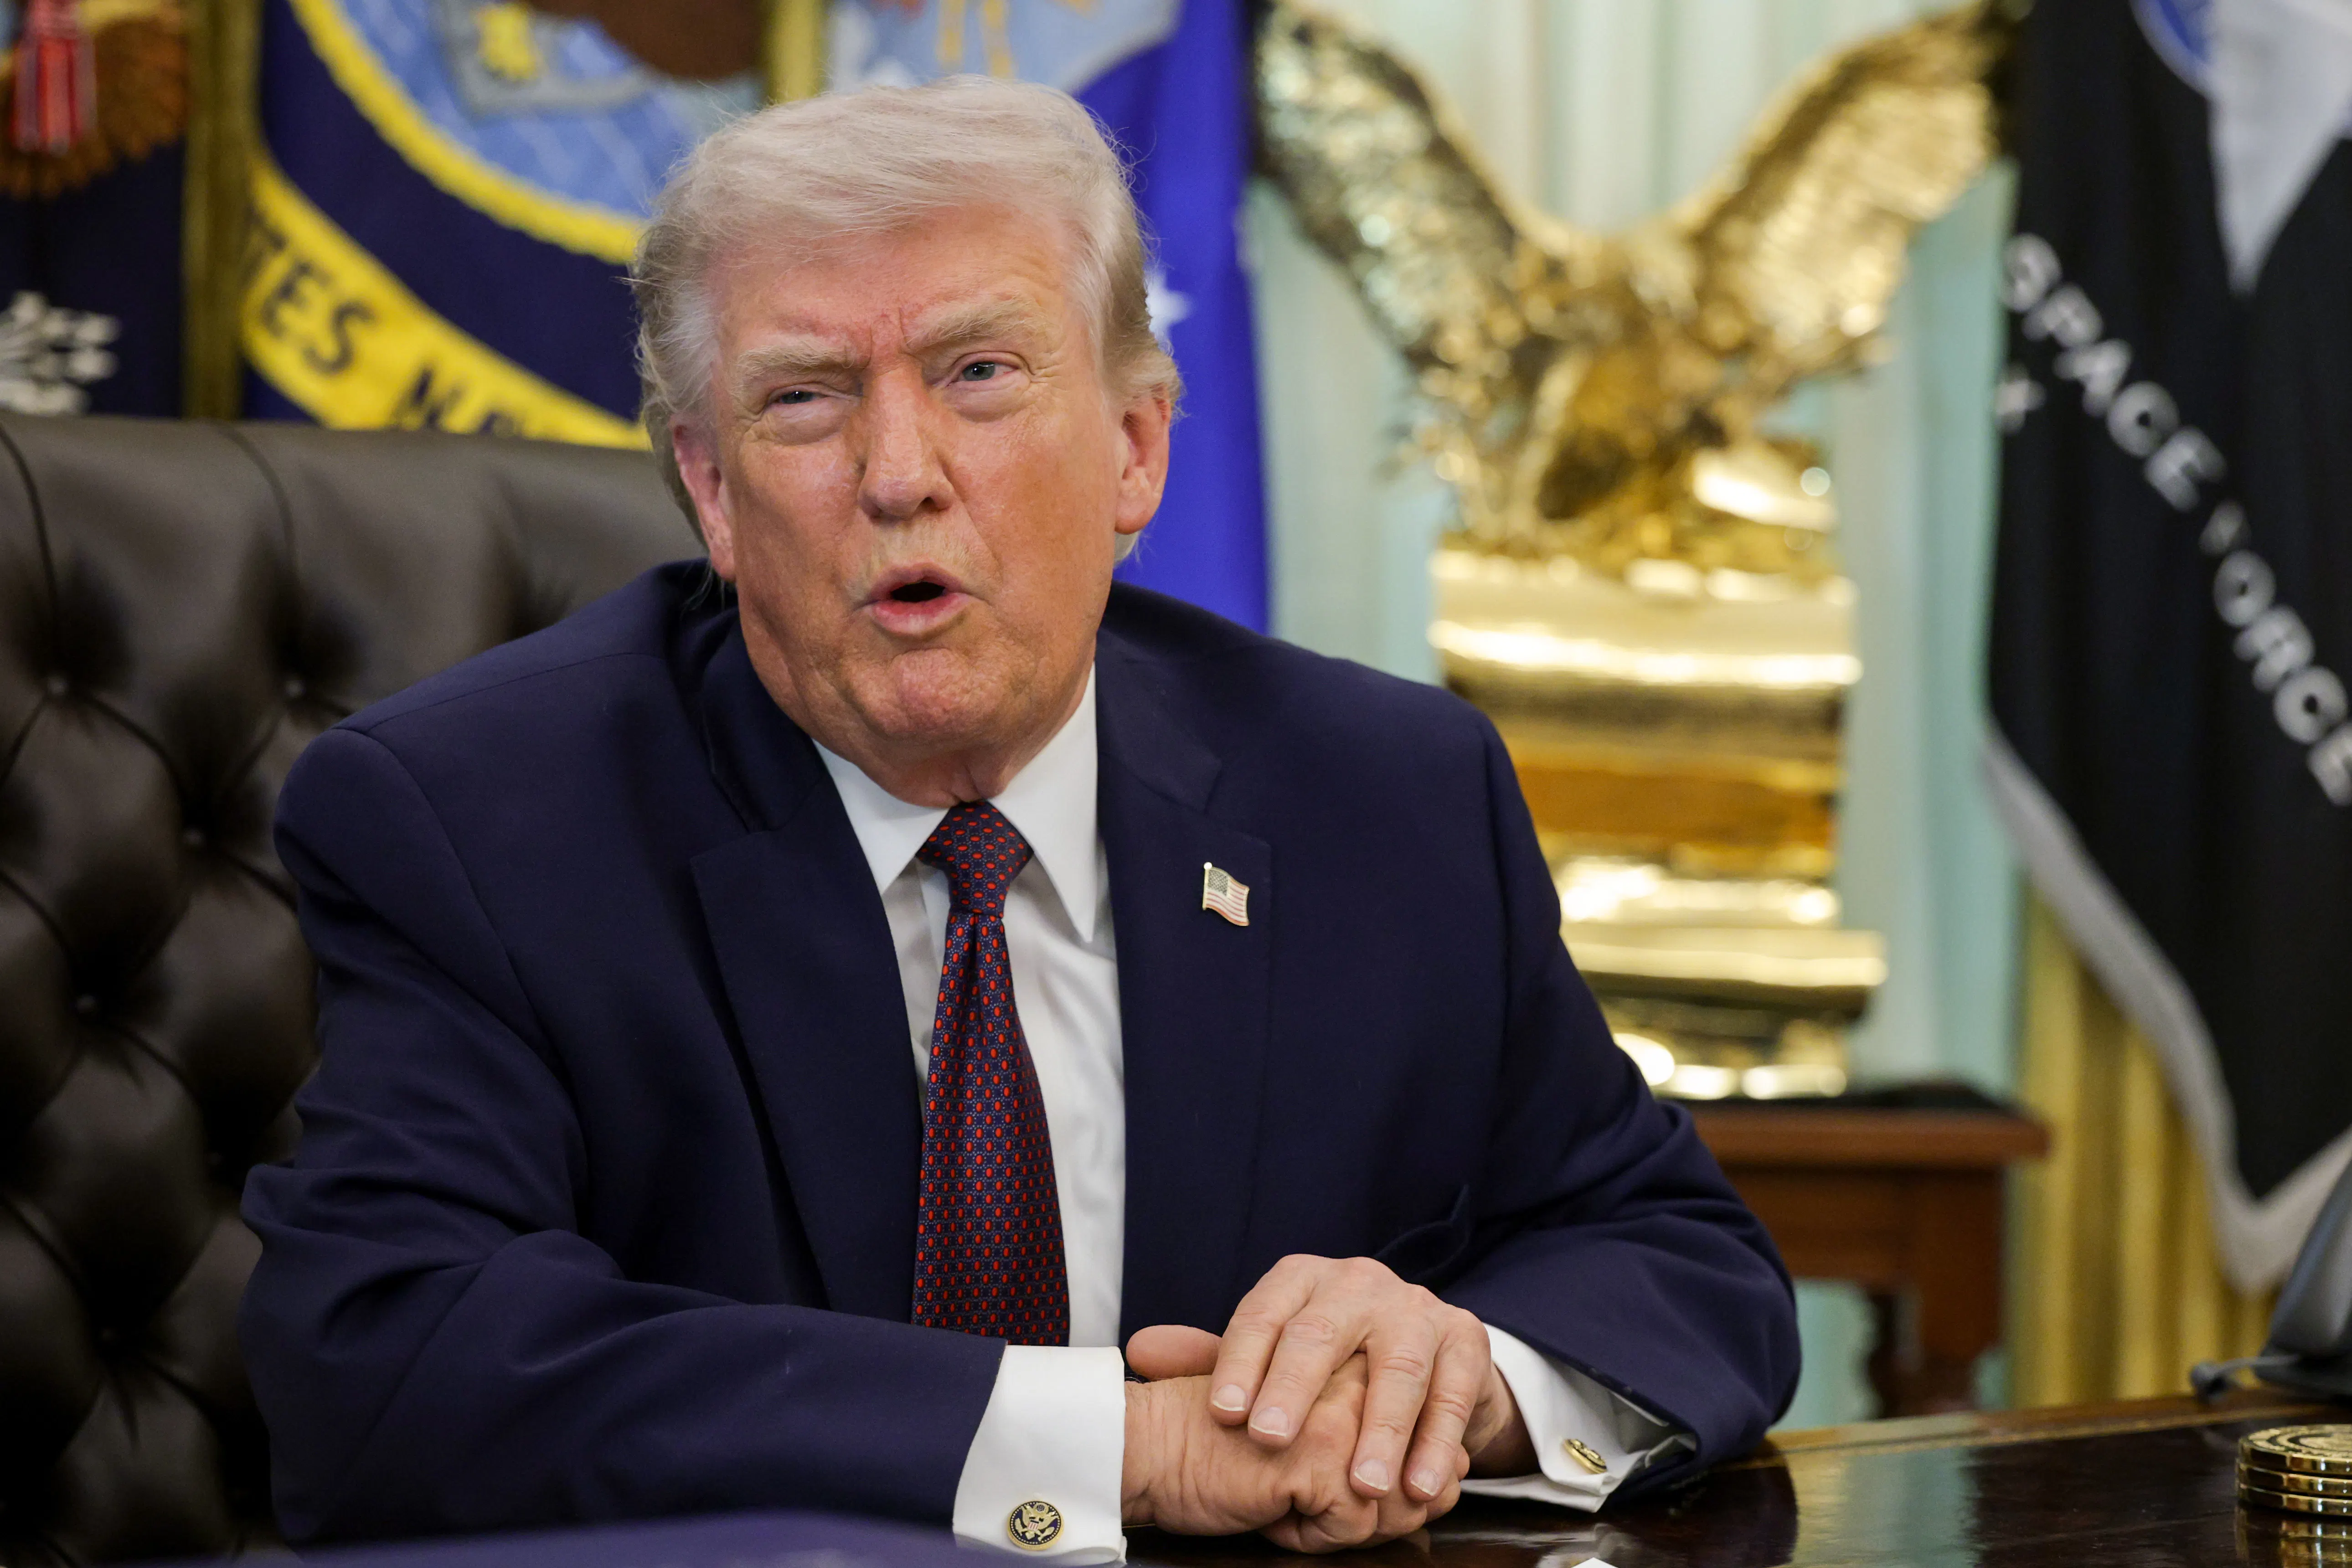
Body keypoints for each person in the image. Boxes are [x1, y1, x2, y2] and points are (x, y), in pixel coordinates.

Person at [238, 78, 1798, 1561]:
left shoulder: (1384, 793)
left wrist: (1450, 1382)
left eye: (981, 375)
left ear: (1135, 446)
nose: (899, 474)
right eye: (805, 401)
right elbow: (389, 1374)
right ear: (710, 494)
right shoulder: (476, 822)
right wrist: (1116, 1449)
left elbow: (1681, 1264)